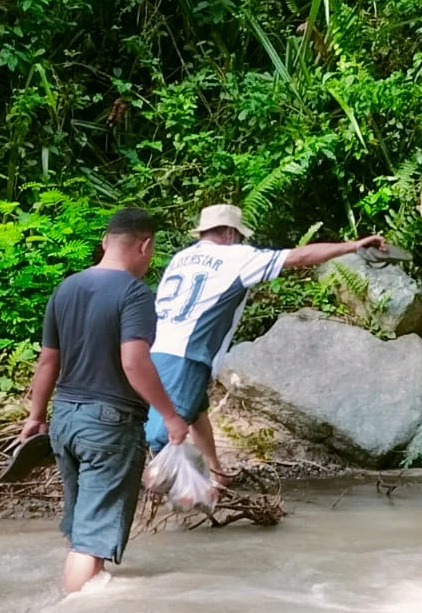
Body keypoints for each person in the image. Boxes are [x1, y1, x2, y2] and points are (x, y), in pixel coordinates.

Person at [18, 207, 190, 594]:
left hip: (64, 420)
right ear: (145, 245)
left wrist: (35, 415)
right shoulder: (134, 293)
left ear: (104, 242)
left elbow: (48, 359)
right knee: (91, 540)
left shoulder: (67, 288)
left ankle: (75, 603)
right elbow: (134, 361)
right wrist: (171, 416)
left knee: (81, 528)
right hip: (108, 426)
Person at [144, 203, 385, 478]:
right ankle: (156, 497)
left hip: (159, 351)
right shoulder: (237, 257)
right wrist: (352, 246)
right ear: (231, 234)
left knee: (196, 410)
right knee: (161, 437)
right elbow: (301, 256)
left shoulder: (181, 259)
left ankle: (217, 474)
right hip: (189, 356)